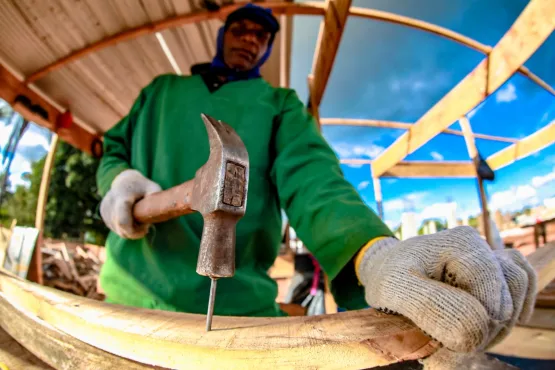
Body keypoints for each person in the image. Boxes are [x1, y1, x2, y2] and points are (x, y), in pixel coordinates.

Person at [98, 2, 536, 363]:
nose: (250, 39)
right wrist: (119, 181)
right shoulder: (159, 91)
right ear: (224, 34)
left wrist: (373, 254)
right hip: (126, 295)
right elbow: (112, 148)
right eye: (243, 29)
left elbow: (312, 178)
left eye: (262, 35)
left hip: (238, 315)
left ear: (268, 48)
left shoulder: (279, 104)